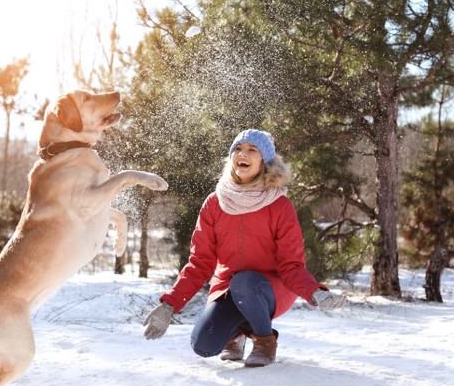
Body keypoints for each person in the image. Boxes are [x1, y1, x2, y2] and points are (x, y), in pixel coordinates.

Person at [142, 129, 347, 367]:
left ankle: (264, 341)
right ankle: (238, 333)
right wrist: (170, 304)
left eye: (252, 150)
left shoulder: (279, 204)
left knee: (245, 282)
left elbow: (291, 264)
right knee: (203, 345)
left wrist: (314, 291)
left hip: (272, 288)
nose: (243, 153)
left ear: (264, 162)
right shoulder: (215, 202)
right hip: (229, 287)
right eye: (238, 149)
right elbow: (200, 262)